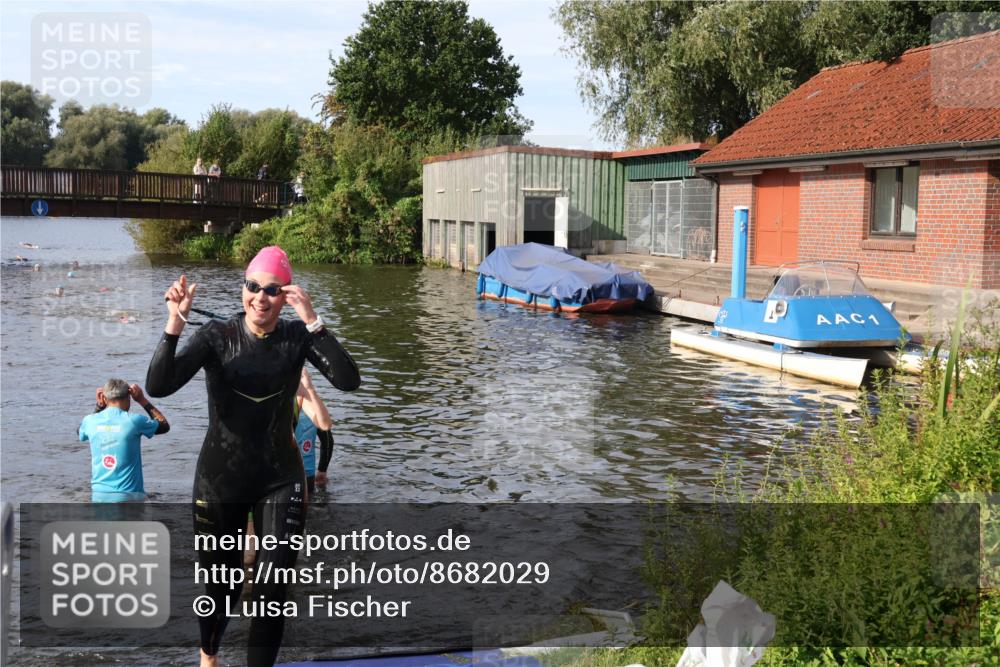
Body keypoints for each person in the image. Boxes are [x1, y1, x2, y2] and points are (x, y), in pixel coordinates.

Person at [146, 245, 360, 667]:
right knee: (221, 589)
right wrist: (174, 323)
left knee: (273, 591)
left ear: (287, 295)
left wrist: (314, 321)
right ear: (243, 288)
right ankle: (209, 656)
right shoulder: (216, 337)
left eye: (272, 289)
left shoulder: (297, 337)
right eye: (253, 287)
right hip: (220, 478)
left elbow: (348, 380)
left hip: (280, 477)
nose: (260, 297)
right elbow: (159, 385)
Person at [79, 379, 170, 503]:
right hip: (129, 496)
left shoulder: (89, 421)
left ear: (104, 399)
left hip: (99, 495)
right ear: (129, 398)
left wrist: (99, 407)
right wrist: (142, 400)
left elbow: (80, 432)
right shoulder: (134, 421)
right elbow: (164, 426)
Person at [294, 368, 333, 495]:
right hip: (306, 475)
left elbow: (327, 435)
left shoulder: (276, 404)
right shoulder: (315, 408)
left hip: (295, 474)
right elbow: (328, 441)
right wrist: (322, 471)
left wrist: (322, 470)